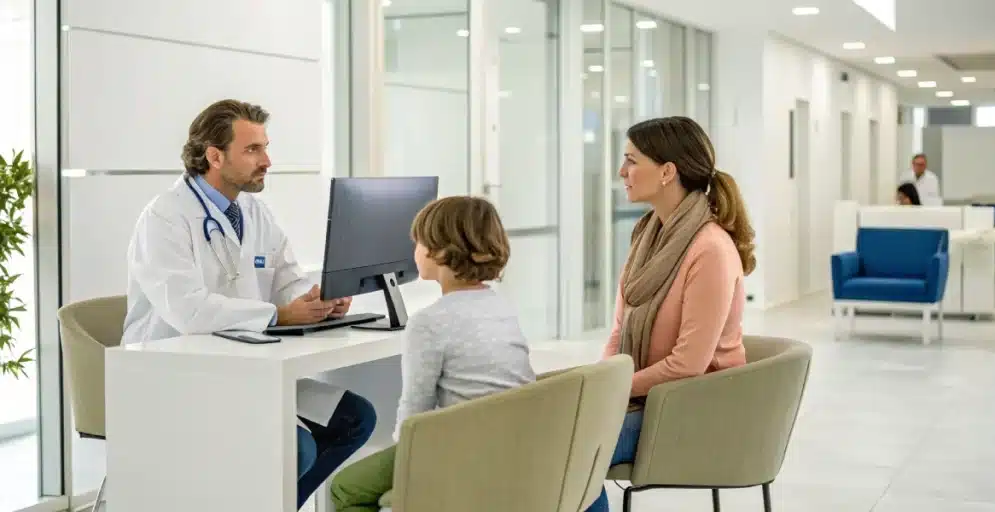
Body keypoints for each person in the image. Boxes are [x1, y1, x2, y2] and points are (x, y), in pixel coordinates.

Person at [121, 99, 376, 509]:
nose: (267, 160)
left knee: (355, 419)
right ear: (215, 156)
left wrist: (319, 300)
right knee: (297, 450)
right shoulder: (165, 218)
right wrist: (278, 314)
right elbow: (188, 311)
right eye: (253, 150)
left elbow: (287, 280)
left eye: (265, 147)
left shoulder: (255, 213)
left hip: (245, 369)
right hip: (178, 376)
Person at [586, 116, 754, 512]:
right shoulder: (647, 235)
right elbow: (619, 330)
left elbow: (687, 364)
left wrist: (610, 389)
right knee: (553, 439)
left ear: (667, 172)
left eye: (631, 160)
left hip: (688, 410)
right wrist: (599, 382)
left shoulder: (709, 249)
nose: (621, 172)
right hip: (646, 401)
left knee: (567, 452)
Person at [329, 196, 536, 512]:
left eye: (418, 242)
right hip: (511, 445)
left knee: (345, 488)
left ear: (441, 250)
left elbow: (416, 407)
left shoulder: (429, 322)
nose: (413, 251)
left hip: (461, 450)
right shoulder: (500, 305)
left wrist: (407, 467)